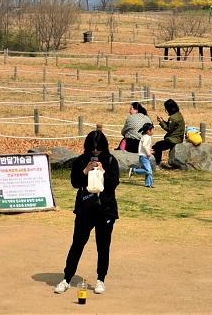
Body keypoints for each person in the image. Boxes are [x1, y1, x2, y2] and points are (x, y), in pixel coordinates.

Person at [53, 128, 118, 296]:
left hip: (106, 210)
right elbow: (75, 182)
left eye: (98, 149)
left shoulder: (110, 161)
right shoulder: (80, 161)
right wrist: (85, 170)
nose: (95, 152)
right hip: (85, 210)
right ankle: (66, 278)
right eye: (92, 149)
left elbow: (113, 184)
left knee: (103, 246)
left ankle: (100, 279)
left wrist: (103, 171)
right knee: (77, 244)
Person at [152, 98, 185, 167]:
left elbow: (168, 129)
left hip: (173, 140)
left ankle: (157, 163)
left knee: (157, 147)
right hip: (179, 138)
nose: (165, 110)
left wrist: (161, 122)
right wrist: (163, 121)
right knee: (158, 145)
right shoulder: (178, 114)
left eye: (166, 108)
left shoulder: (172, 118)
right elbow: (172, 126)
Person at [127, 122, 155, 188]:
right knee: (148, 171)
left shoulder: (145, 137)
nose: (153, 131)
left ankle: (148, 184)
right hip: (144, 156)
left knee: (149, 170)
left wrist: (150, 151)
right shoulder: (147, 137)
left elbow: (144, 146)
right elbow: (144, 146)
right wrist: (148, 153)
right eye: (153, 130)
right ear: (148, 131)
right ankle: (134, 170)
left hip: (144, 156)